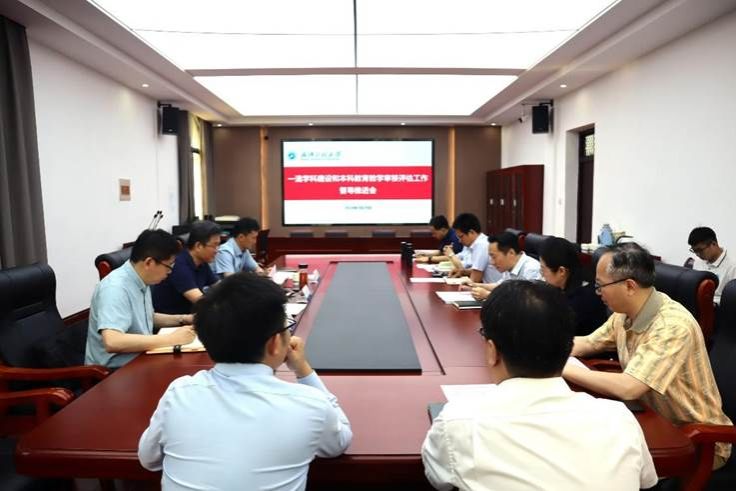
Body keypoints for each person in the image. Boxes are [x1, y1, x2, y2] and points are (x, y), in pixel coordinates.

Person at [422, 281, 657, 490]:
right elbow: (646, 481)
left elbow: (439, 479)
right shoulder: (620, 420)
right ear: (567, 348)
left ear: (492, 351)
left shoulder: (458, 424)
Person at [138, 274, 352, 490]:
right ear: (275, 343)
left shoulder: (179, 393)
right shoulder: (309, 403)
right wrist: (303, 369)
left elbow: (148, 459)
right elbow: (338, 443)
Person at [563, 243, 732, 469]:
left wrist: (562, 367)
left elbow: (629, 387)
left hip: (698, 441)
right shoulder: (626, 313)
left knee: (593, 461)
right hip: (653, 421)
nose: (598, 292)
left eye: (600, 285)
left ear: (629, 286)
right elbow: (589, 343)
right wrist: (543, 351)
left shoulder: (672, 326)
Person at [85, 230, 196, 368]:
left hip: (141, 359)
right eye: (169, 266)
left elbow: (147, 317)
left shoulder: (141, 278)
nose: (170, 272)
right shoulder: (115, 288)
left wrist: (185, 319)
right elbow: (113, 341)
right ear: (149, 262)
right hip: (113, 372)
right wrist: (171, 339)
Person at [540, 236, 608, 335]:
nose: (542, 275)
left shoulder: (580, 302)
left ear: (561, 271)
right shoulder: (567, 287)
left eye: (543, 269)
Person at [153, 220, 220, 314]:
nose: (217, 250)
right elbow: (201, 302)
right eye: (214, 246)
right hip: (172, 320)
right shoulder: (179, 265)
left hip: (190, 316)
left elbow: (221, 287)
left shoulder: (202, 263)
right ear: (198, 246)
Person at [466, 231, 541, 300]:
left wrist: (488, 295)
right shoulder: (509, 266)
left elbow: (528, 300)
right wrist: (473, 285)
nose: (492, 262)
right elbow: (500, 286)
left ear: (511, 253)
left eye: (494, 257)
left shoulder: (531, 268)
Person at [688, 226, 736, 304]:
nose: (697, 254)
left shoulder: (733, 265)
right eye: (694, 251)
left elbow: (732, 298)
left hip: (719, 307)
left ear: (713, 244)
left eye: (700, 250)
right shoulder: (698, 261)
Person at [446, 213, 498, 283]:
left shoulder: (480, 245)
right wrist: (463, 272)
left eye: (461, 236)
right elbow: (479, 270)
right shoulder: (482, 241)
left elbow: (474, 280)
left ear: (471, 232)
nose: (460, 241)